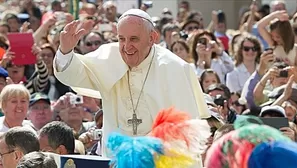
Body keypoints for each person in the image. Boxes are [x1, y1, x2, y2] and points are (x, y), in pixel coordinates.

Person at [53, 9, 210, 157]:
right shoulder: (109, 57)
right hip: (117, 159)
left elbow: (185, 126)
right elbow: (73, 75)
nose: (127, 47)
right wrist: (65, 52)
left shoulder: (174, 68)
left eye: (134, 39)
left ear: (152, 38)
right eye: (121, 39)